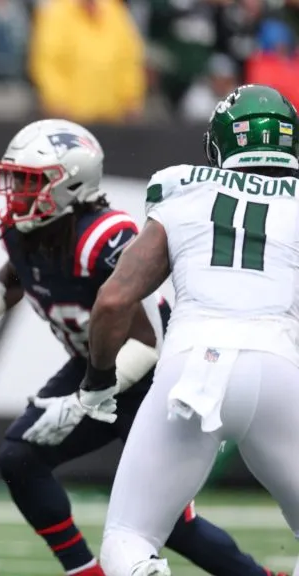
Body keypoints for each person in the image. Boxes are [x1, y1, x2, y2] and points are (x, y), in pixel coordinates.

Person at [0, 117, 286, 576]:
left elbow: (146, 340)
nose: (16, 192)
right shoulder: (28, 229)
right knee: (19, 457)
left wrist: (78, 403)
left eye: (30, 181)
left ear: (70, 185)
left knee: (170, 525)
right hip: (96, 365)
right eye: (16, 179)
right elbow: (16, 274)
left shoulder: (105, 236)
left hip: (153, 378)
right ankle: (83, 570)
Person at [83, 84, 299, 576]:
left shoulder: (184, 188)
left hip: (194, 368)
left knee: (128, 541)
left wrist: (98, 381)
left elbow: (114, 300)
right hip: (279, 365)